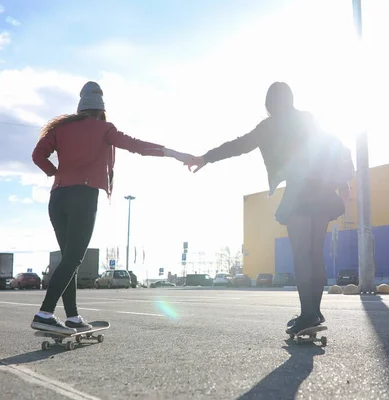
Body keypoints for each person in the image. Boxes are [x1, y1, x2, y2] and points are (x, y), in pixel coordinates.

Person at [187, 82, 354, 335]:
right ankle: (314, 311)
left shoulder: (269, 125)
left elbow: (239, 146)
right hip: (322, 192)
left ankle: (308, 314)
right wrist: (343, 184)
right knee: (315, 252)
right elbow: (334, 147)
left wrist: (206, 157)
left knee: (301, 254)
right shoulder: (308, 119)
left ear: (269, 103)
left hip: (300, 192)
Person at [31, 81, 193, 334]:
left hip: (58, 197)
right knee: (73, 258)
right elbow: (138, 146)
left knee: (69, 260)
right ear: (101, 108)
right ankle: (45, 312)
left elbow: (37, 156)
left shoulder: (61, 128)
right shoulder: (105, 129)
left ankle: (72, 317)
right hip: (83, 196)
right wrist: (175, 153)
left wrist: (57, 174)